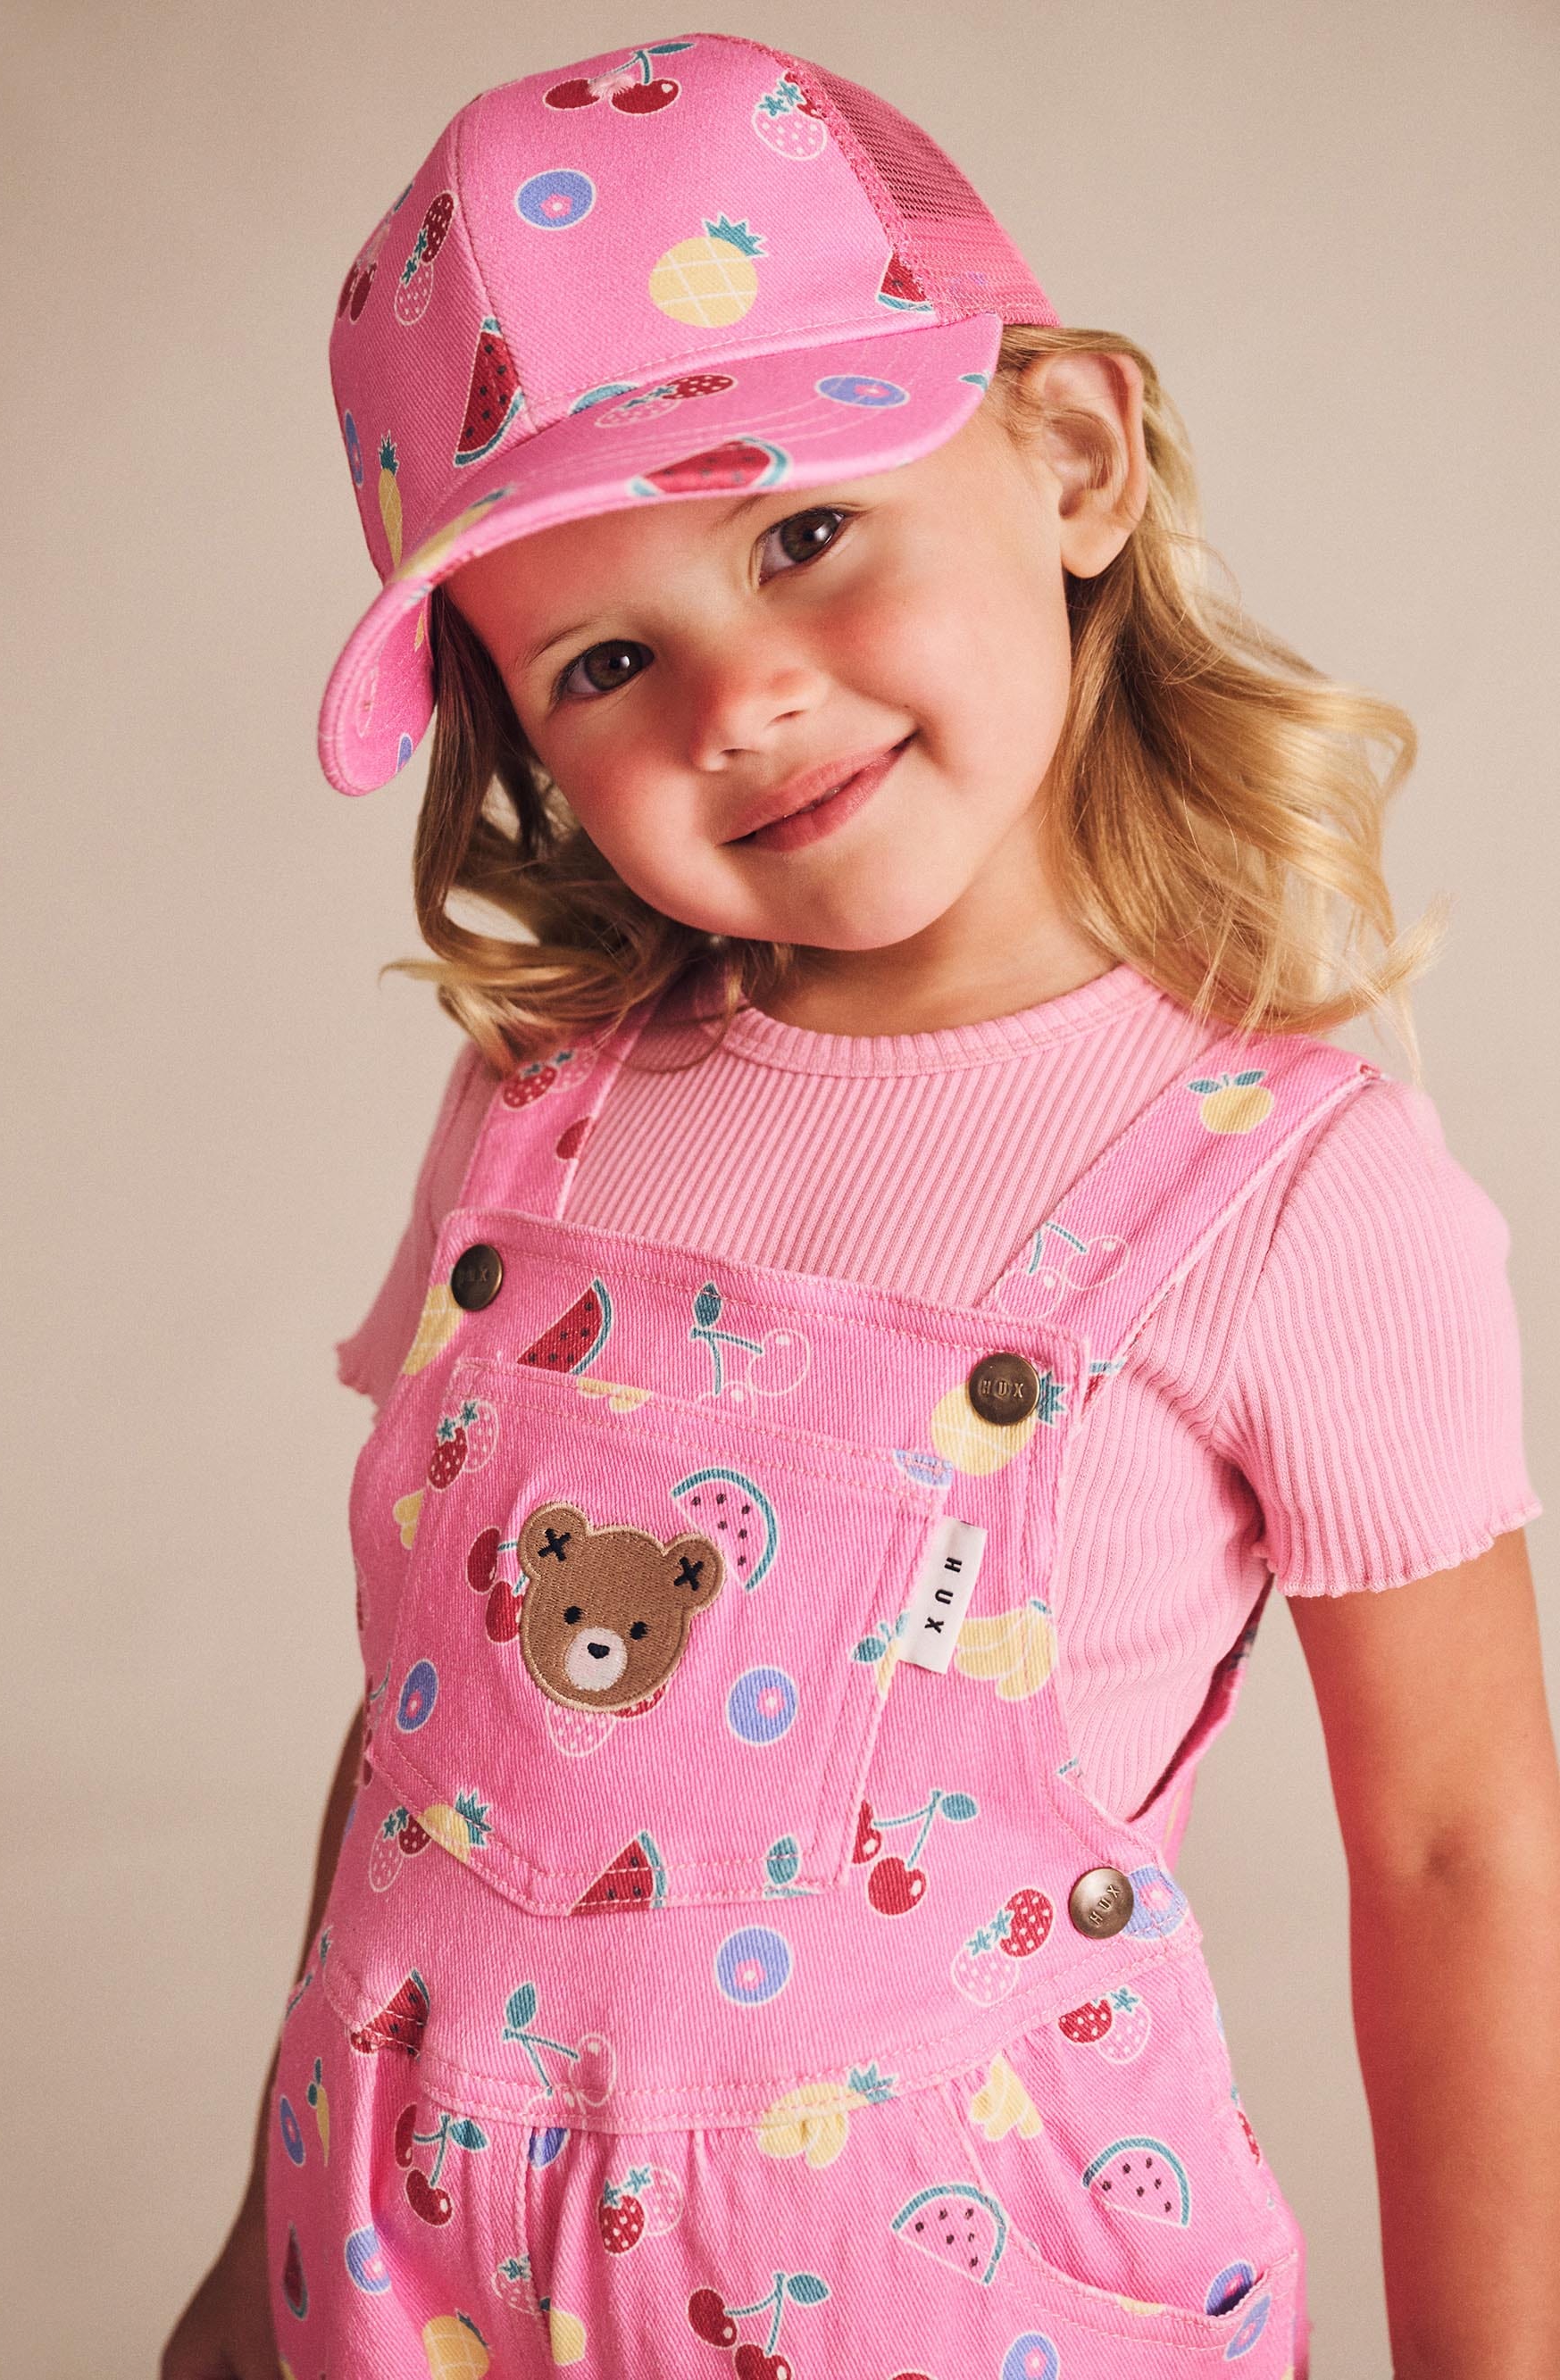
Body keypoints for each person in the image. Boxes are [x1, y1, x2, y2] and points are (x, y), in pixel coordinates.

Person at [162, 29, 1559, 2380]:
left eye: (801, 534)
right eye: (610, 659)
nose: (741, 702)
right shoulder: (537, 1120)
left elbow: (1461, 1852)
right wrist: (253, 2242)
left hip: (948, 2305)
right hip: (411, 2293)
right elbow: (437, 1743)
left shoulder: (1292, 1194)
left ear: (1073, 454)